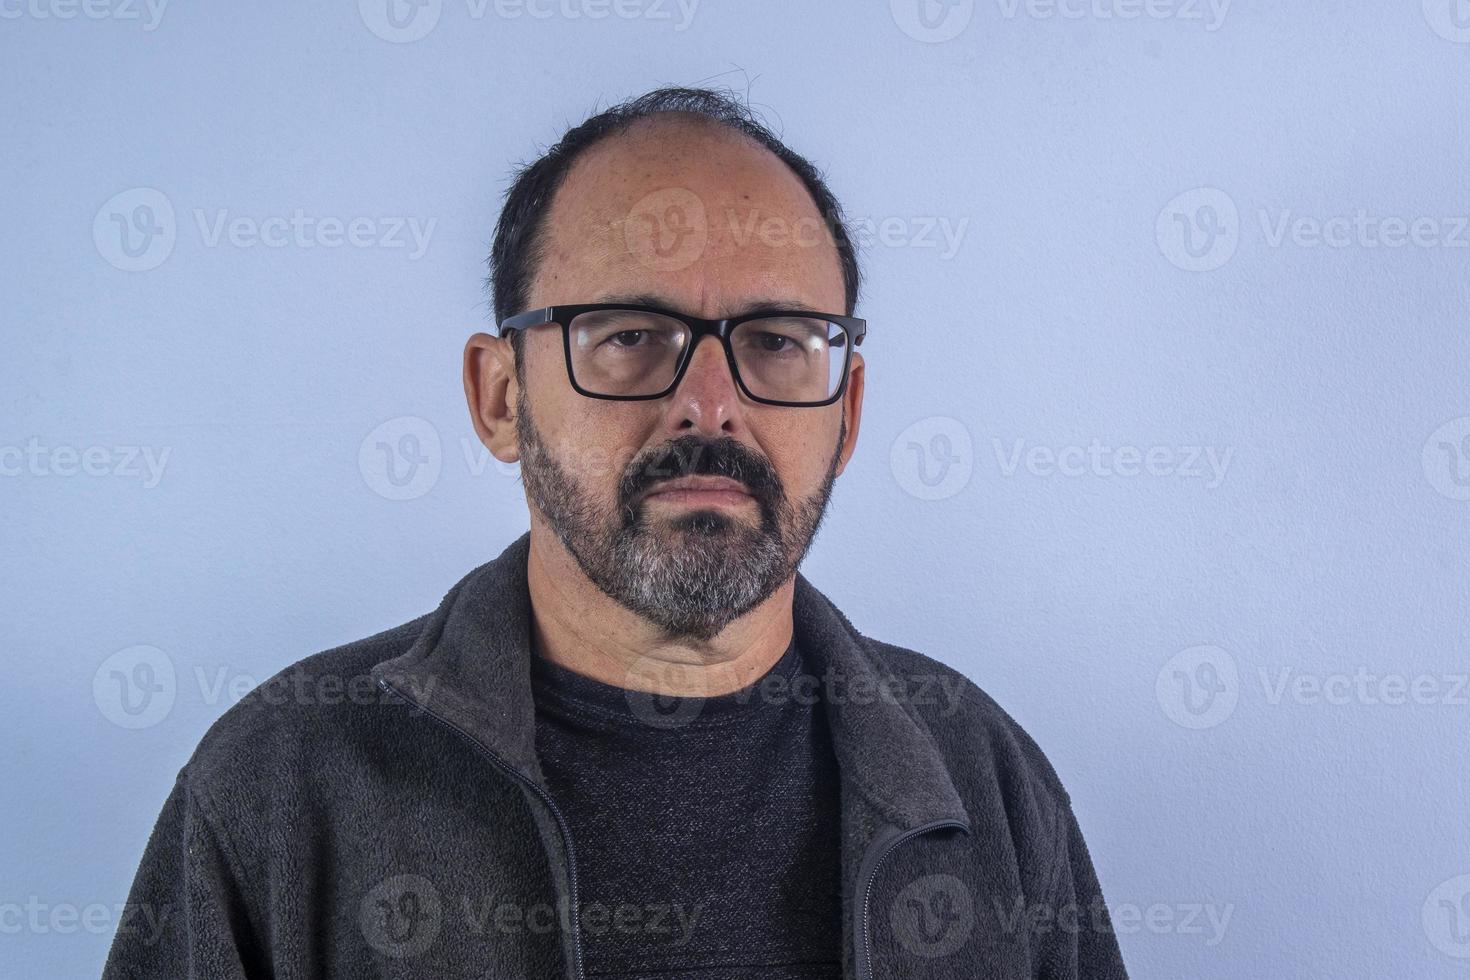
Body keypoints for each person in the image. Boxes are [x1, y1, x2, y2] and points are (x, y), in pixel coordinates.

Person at [103, 86, 1129, 979]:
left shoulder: (984, 781)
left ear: (848, 413)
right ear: (500, 396)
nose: (709, 403)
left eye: (775, 342)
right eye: (632, 337)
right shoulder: (281, 788)